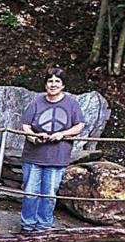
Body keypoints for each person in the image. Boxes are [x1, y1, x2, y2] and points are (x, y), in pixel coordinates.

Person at [19, 67, 85, 233]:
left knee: (49, 194)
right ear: (45, 84)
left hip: (57, 156)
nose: (53, 84)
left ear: (63, 85)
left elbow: (79, 125)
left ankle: (43, 226)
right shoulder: (36, 103)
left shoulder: (71, 104)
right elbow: (26, 126)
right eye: (50, 81)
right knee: (30, 193)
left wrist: (62, 134)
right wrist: (33, 136)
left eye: (57, 81)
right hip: (33, 155)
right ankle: (27, 225)